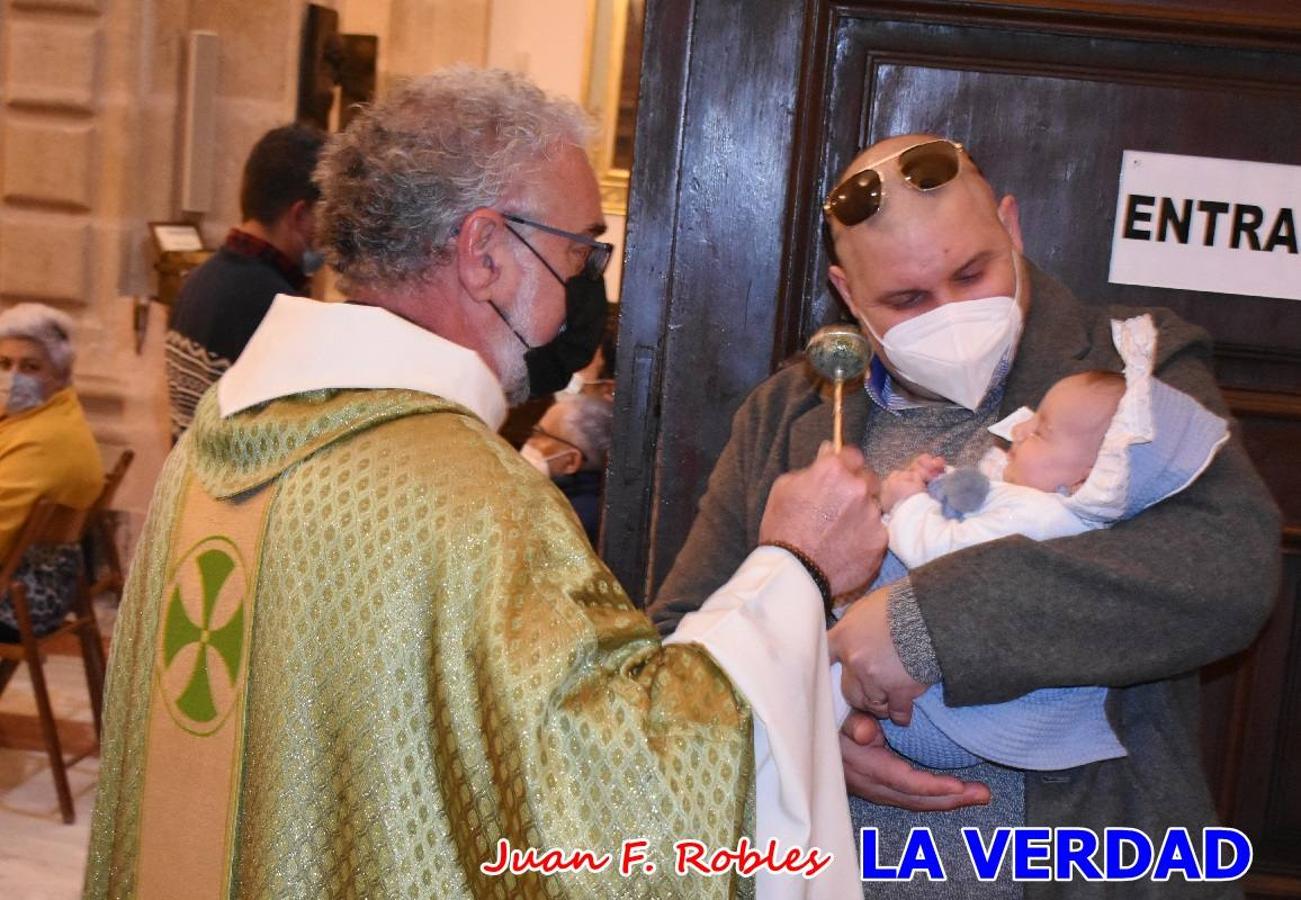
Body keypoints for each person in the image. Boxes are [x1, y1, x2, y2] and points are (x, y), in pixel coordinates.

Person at [87, 68, 880, 899]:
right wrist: (796, 567)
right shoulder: (466, 498)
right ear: (484, 252)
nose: (583, 282)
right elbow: (625, 807)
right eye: (580, 249)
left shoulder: (218, 438)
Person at [649, 134, 1279, 897]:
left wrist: (922, 625)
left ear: (1010, 229)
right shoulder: (785, 420)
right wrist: (803, 729)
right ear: (849, 295)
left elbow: (1221, 568)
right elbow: (677, 651)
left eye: (972, 272)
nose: (950, 313)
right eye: (907, 301)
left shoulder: (1130, 367)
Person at [874, 314, 1232, 773]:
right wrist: (934, 485)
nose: (1019, 430)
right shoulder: (1033, 499)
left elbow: (939, 555)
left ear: (1083, 478)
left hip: (947, 723)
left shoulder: (1043, 517)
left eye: (1040, 431)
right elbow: (977, 504)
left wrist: (906, 505)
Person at [164, 123, 326, 440]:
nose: (330, 235)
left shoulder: (200, 277)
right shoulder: (274, 307)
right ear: (300, 214)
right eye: (326, 214)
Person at [0, 304, 103, 642]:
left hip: (19, 599)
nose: (12, 377)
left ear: (60, 375)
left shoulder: (43, 441)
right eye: (3, 364)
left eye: (30, 367)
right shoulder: (46, 415)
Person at [521, 392, 613, 545]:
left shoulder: (565, 522)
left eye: (539, 434)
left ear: (571, 461)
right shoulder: (595, 506)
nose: (529, 441)